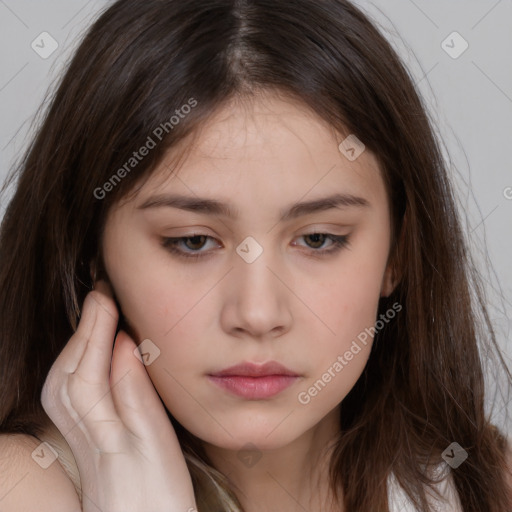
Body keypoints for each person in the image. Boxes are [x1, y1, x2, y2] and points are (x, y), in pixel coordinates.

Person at [0, 0, 511, 511]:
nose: (258, 314)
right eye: (193, 241)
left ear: (398, 253)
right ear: (92, 254)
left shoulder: (484, 483)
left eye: (318, 239)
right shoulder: (23, 489)